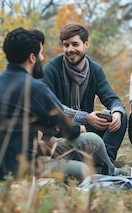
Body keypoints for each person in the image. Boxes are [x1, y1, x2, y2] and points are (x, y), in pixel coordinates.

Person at [0, 27, 116, 181]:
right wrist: (80, 127)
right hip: (17, 170)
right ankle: (112, 175)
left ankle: (113, 171)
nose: (42, 58)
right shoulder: (34, 87)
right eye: (40, 53)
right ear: (32, 58)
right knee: (82, 168)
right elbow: (69, 130)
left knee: (91, 143)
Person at [42, 22, 127, 163]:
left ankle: (106, 162)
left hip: (86, 129)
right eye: (66, 45)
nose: (70, 49)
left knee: (121, 117)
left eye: (75, 44)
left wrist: (117, 112)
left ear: (86, 45)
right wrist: (85, 117)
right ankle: (92, 162)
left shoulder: (95, 70)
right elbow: (49, 106)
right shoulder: (51, 69)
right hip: (59, 131)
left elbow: (112, 99)